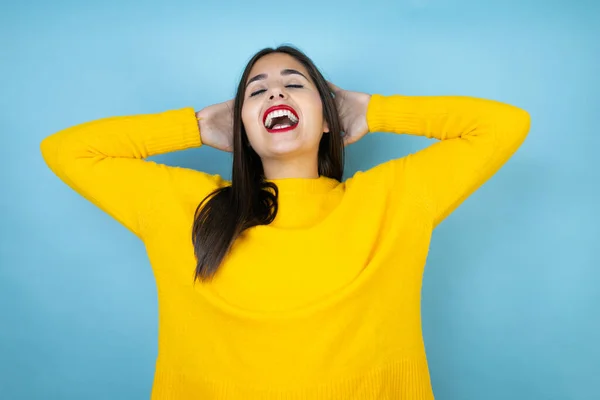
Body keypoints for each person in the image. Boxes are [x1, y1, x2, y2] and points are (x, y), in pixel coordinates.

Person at [40, 45, 530, 399]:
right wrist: (196, 125)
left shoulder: (393, 198)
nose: (276, 92)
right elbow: (66, 151)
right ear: (241, 127)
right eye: (257, 92)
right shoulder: (188, 206)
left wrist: (373, 111)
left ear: (327, 119)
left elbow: (503, 126)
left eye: (295, 84)